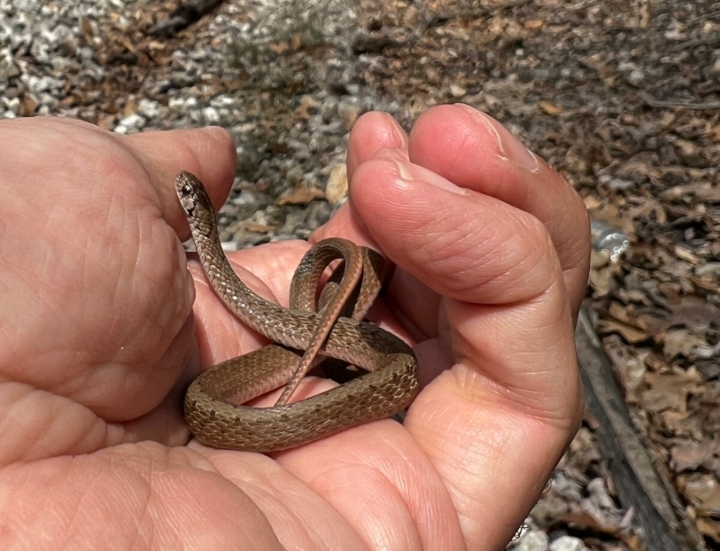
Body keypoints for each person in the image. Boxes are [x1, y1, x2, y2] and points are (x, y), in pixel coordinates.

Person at [0, 104, 589, 550]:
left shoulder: (247, 281)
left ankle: (344, 304)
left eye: (187, 197)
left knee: (381, 341)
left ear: (196, 216)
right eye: (186, 193)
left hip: (352, 354)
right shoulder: (207, 364)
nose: (182, 192)